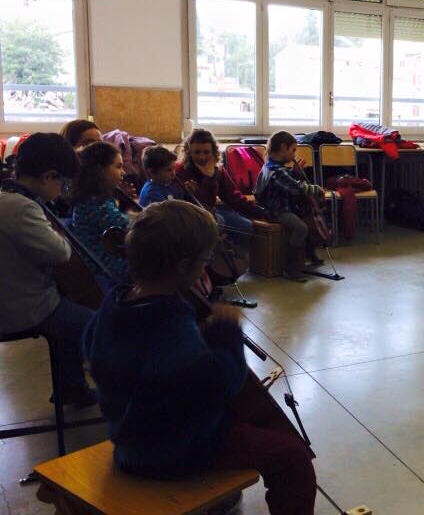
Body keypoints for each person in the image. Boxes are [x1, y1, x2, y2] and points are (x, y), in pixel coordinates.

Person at [83, 200, 317, 514]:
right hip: (174, 451)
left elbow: (93, 347)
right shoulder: (169, 323)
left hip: (129, 440)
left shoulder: (115, 304)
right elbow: (221, 384)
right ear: (183, 266)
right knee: (292, 457)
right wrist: (226, 332)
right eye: (205, 259)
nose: (206, 266)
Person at [0, 134, 97, 407]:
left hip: (15, 298)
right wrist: (58, 231)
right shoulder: (20, 207)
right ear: (49, 176)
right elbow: (60, 253)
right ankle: (121, 392)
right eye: (63, 183)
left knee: (69, 313)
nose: (64, 191)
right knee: (98, 324)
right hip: (24, 308)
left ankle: (71, 387)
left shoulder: (9, 198)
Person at [254, 132, 326, 282]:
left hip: (283, 207)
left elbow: (287, 182)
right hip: (277, 210)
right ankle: (291, 268)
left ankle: (308, 254)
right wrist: (317, 189)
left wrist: (294, 172)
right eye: (293, 150)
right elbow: (296, 188)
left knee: (308, 221)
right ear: (283, 148)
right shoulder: (277, 171)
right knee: (301, 228)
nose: (294, 154)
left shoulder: (272, 166)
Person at [175, 129, 262, 251]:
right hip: (192, 215)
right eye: (197, 152)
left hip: (213, 211)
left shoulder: (217, 170)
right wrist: (208, 177)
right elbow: (202, 204)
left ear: (213, 152)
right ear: (189, 152)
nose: (202, 157)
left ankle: (233, 255)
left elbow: (232, 196)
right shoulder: (181, 170)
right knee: (217, 223)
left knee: (246, 227)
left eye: (206, 152)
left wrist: (260, 212)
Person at [72, 141, 131, 282]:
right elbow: (132, 229)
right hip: (109, 270)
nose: (123, 172)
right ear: (100, 170)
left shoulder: (95, 199)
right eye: (118, 167)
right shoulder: (95, 205)